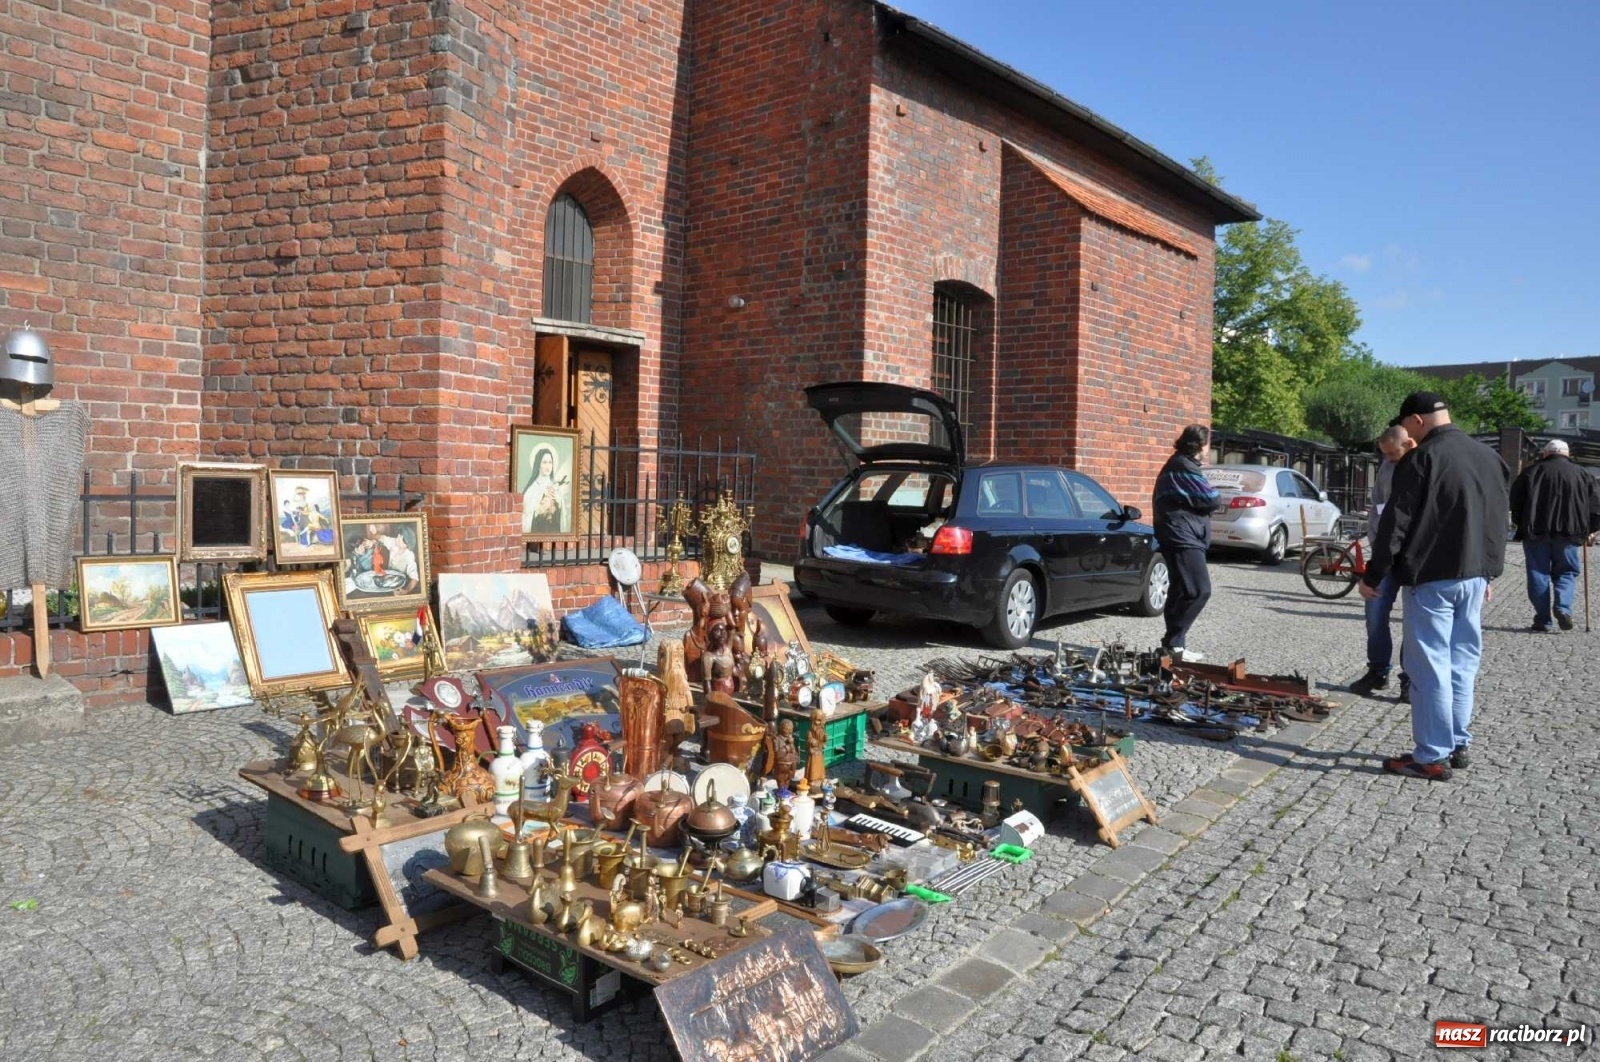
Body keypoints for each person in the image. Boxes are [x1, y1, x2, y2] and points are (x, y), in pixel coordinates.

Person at [1360, 392, 1510, 781]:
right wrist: (1489, 572)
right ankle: (1458, 742)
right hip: (1474, 575)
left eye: (1406, 425)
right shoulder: (1489, 457)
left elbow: (1397, 522)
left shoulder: (1422, 458)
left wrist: (1374, 575)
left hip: (1433, 577)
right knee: (1463, 663)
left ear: (1417, 420)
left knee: (1429, 667)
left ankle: (1429, 755)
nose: (1406, 433)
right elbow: (1498, 520)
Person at [1351, 423, 1417, 698]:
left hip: (1414, 556)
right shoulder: (1387, 467)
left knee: (1414, 622)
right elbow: (1377, 504)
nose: (1388, 459)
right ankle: (1378, 671)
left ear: (1409, 445)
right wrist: (1375, 539)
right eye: (1385, 454)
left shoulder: (1424, 466)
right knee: (1375, 615)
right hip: (1384, 553)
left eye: (1392, 453)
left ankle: (1410, 677)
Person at [1509, 438, 1600, 632]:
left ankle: (1543, 620)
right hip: (1570, 532)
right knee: (1566, 572)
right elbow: (1596, 507)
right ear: (1567, 454)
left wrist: (1520, 523)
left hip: (1535, 532)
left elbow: (1515, 502)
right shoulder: (1583, 474)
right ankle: (1562, 607)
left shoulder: (1530, 473)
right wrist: (1589, 529)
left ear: (1545, 453)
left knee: (1537, 573)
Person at [1151, 424, 1222, 662]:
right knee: (1199, 590)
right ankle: (1173, 643)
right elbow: (1209, 499)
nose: (1208, 450)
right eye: (1207, 444)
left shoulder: (1180, 464)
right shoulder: (1183, 466)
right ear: (1199, 445)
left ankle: (1175, 646)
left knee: (1180, 591)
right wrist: (1216, 494)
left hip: (1179, 534)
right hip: (1183, 536)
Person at [522, 447, 565, 535]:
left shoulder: (555, 487)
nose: (548, 466)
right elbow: (525, 515)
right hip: (537, 532)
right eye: (544, 462)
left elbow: (563, 519)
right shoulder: (532, 488)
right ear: (538, 464)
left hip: (552, 534)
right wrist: (538, 510)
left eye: (550, 462)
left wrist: (559, 503)